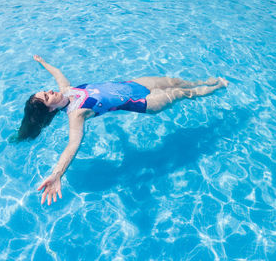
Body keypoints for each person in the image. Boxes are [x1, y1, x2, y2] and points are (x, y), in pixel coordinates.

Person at [19, 55, 228, 206]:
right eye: (47, 96)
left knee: (175, 82)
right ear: (50, 108)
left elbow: (58, 74)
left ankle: (204, 82)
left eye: (45, 91)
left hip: (134, 84)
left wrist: (43, 63)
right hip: (143, 101)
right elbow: (72, 145)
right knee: (182, 92)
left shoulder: (66, 90)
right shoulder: (76, 114)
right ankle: (217, 87)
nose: (49, 91)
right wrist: (57, 175)